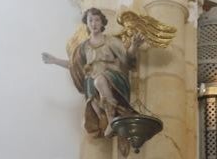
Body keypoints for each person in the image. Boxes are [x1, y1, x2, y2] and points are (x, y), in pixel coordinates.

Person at [42, 7, 144, 138]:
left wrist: (134, 46)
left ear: (102, 23)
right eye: (91, 20)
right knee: (93, 95)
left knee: (99, 80)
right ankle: (108, 118)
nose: (94, 23)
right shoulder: (83, 47)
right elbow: (74, 66)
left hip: (114, 80)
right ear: (87, 24)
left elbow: (127, 59)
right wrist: (55, 60)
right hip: (92, 85)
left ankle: (112, 119)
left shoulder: (111, 41)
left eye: (97, 20)